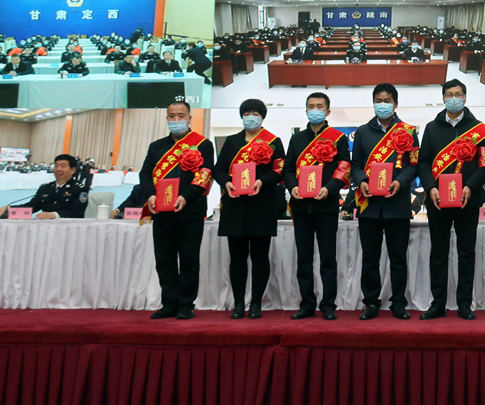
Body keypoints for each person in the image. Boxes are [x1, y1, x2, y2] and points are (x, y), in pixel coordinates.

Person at [418, 80, 485, 321]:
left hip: (467, 200)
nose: (454, 98)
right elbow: (423, 162)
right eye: (449, 94)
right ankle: (437, 304)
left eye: (458, 94)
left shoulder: (479, 129)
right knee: (438, 253)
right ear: (443, 98)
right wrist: (430, 187)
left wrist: (471, 186)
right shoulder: (431, 128)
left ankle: (464, 304)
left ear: (465, 97)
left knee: (466, 253)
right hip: (437, 200)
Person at [138, 101, 215, 320]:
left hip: (190, 211)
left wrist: (186, 197)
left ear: (189, 118)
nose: (176, 120)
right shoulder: (156, 146)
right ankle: (169, 303)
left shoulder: (203, 144)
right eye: (171, 116)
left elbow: (205, 174)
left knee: (189, 259)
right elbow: (145, 174)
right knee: (164, 260)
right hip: (162, 211)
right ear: (167, 118)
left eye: (181, 116)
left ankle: (185, 304)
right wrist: (151, 195)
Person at [352, 83, 419, 320]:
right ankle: (370, 302)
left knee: (398, 258)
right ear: (373, 103)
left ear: (395, 103)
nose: (383, 105)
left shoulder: (408, 131)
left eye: (387, 100)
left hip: (397, 204)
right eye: (378, 100)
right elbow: (356, 165)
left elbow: (414, 164)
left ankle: (398, 303)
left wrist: (400, 182)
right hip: (369, 204)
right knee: (370, 258)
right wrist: (361, 181)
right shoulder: (362, 132)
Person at [213, 99, 285, 320]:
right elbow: (218, 169)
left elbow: (279, 170)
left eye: (255, 113)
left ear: (262, 117)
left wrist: (262, 181)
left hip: (261, 205)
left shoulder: (273, 141)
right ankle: (238, 303)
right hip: (235, 205)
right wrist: (226, 182)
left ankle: (256, 303)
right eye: (246, 113)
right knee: (237, 258)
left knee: (260, 257)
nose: (250, 117)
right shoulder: (232, 141)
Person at [284, 92, 350, 320]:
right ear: (306, 110)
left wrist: (330, 188)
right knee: (304, 259)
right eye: (311, 106)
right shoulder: (296, 139)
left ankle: (328, 305)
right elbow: (287, 168)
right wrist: (292, 186)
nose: (315, 110)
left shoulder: (338, 138)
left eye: (319, 106)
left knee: (328, 259)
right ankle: (307, 304)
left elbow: (344, 168)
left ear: (327, 111)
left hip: (326, 206)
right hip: (301, 207)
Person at [0, 155, 88, 219]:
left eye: (63, 166)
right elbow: (31, 207)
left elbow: (77, 212)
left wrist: (53, 215)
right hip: (45, 227)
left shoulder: (80, 189)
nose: (58, 169)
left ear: (72, 170)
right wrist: (9, 209)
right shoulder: (45, 188)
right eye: (56, 166)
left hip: (69, 229)